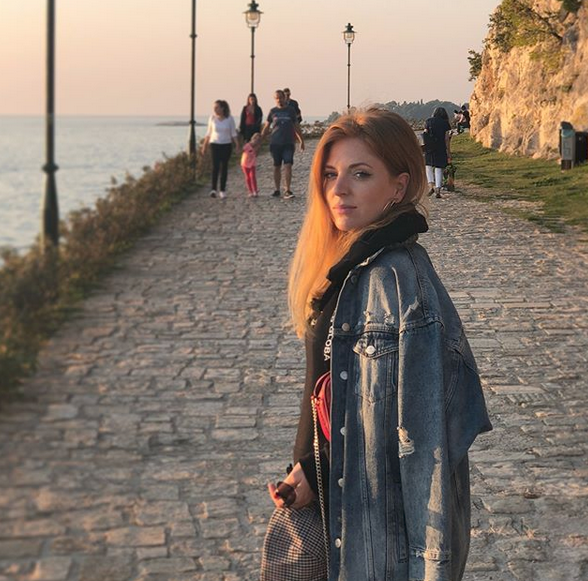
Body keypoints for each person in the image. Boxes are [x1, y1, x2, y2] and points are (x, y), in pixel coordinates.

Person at [266, 108, 492, 581]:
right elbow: (333, 392)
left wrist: (431, 567)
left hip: (379, 543)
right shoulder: (348, 269)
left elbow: (430, 452)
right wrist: (309, 467)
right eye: (331, 174)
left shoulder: (399, 284)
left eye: (360, 174)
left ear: (399, 187)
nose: (338, 189)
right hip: (341, 512)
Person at [261, 89, 305, 199]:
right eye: (277, 98)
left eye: (280, 97)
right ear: (275, 99)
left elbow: (296, 126)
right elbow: (266, 127)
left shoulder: (290, 111)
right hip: (275, 143)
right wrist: (260, 140)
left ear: (284, 98)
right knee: (277, 166)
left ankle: (287, 189)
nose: (279, 100)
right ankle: (277, 189)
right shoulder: (273, 111)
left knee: (288, 165)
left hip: (288, 142)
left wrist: (301, 140)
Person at [201, 100, 240, 199]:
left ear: (223, 108)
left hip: (226, 145)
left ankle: (222, 190)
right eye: (214, 108)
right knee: (215, 166)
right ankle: (213, 189)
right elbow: (208, 133)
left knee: (224, 167)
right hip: (215, 144)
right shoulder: (212, 118)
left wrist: (237, 145)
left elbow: (233, 133)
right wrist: (204, 146)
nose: (215, 109)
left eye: (217, 107)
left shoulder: (229, 119)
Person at [423, 107, 452, 198]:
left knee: (428, 166)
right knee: (439, 168)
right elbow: (446, 139)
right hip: (441, 147)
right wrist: (448, 152)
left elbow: (425, 135)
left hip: (430, 147)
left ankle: (431, 185)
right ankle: (438, 189)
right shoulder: (445, 123)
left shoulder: (428, 121)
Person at [241, 132, 261, 197]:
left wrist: (257, 148)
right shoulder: (247, 145)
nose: (256, 141)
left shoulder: (257, 147)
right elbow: (242, 150)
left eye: (258, 140)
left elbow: (256, 155)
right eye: (255, 139)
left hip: (252, 162)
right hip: (245, 163)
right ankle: (250, 191)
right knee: (247, 177)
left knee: (252, 176)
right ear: (252, 139)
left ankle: (255, 190)